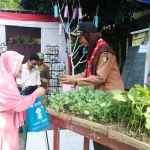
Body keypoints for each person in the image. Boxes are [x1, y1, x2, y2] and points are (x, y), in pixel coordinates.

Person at [60, 21, 124, 150]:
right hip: (101, 94)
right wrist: (72, 78)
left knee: (106, 132)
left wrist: (76, 82)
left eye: (80, 37)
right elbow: (87, 73)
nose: (80, 41)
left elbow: (101, 77)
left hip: (111, 95)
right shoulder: (94, 50)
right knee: (98, 131)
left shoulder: (105, 52)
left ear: (88, 35)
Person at [0, 51, 46, 150]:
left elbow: (16, 99)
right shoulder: (6, 84)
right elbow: (19, 105)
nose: (20, 67)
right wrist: (36, 93)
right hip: (6, 124)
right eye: (18, 65)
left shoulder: (8, 80)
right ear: (10, 66)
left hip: (8, 122)